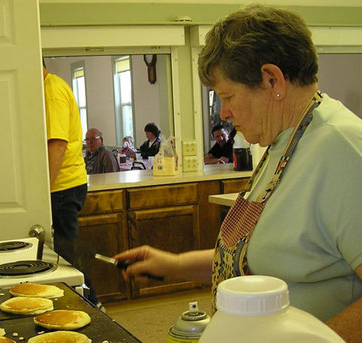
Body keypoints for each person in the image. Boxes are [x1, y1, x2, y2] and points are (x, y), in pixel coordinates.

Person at [113, 5, 362, 341]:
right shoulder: (283, 142)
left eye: (227, 96)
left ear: (272, 80)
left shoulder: (343, 147)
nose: (225, 112)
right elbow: (262, 255)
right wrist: (174, 265)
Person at [42, 63, 103, 310]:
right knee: (67, 250)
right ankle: (91, 304)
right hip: (68, 183)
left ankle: (92, 305)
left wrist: (41, 192)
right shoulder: (52, 87)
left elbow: (57, 144)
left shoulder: (51, 90)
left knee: (67, 256)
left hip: (62, 185)